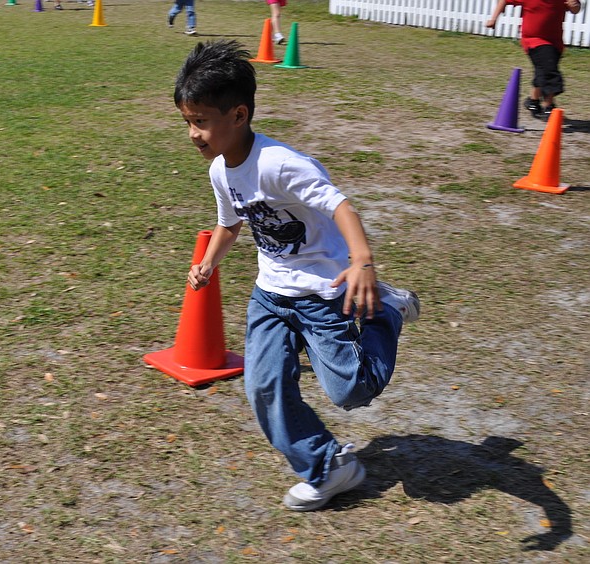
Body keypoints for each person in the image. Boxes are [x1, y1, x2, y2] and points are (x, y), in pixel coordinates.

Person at [173, 40, 420, 511]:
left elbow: (339, 205)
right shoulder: (222, 171)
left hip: (323, 292)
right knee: (263, 387)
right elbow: (231, 223)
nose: (193, 134)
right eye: (188, 122)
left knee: (350, 391)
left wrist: (363, 262)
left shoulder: (281, 164)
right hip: (271, 295)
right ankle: (328, 466)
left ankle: (385, 310)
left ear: (238, 115)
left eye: (201, 121)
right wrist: (209, 263)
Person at [486, 0, 582, 119]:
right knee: (550, 71)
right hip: (533, 40)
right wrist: (494, 19)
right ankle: (548, 106)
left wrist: (575, 6)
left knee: (542, 71)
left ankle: (533, 101)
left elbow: (575, 8)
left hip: (555, 42)